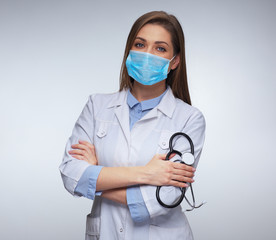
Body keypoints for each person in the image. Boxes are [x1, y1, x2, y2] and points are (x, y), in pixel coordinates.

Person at [59, 11, 205, 240]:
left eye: (160, 48)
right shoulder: (97, 106)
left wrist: (94, 175)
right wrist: (146, 173)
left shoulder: (189, 119)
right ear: (129, 51)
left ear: (175, 60)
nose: (148, 55)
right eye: (140, 44)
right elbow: (70, 174)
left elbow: (165, 197)